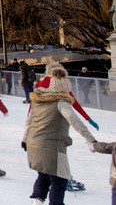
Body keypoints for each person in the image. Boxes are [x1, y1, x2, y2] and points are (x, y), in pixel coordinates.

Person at [23, 68, 97, 205]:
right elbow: (74, 120)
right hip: (52, 147)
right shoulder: (61, 102)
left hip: (34, 143)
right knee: (59, 180)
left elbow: (29, 119)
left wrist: (24, 139)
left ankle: (36, 202)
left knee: (43, 176)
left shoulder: (39, 100)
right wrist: (90, 140)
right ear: (65, 89)